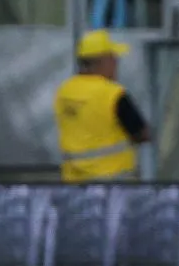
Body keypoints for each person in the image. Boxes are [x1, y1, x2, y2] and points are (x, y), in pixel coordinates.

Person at [53, 29, 150, 182]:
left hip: (73, 183)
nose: (117, 64)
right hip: (113, 184)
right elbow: (142, 134)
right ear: (103, 61)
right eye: (114, 59)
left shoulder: (64, 91)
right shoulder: (113, 94)